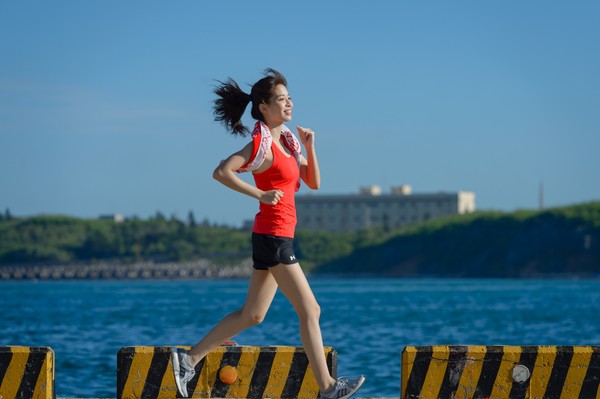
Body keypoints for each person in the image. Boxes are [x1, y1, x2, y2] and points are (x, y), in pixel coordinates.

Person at [171, 68, 365, 399]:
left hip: (275, 236)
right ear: (263, 106)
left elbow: (314, 182)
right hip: (273, 236)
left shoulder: (288, 142)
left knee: (254, 314)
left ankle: (188, 359)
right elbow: (222, 171)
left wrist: (310, 146)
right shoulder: (260, 146)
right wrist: (259, 195)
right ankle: (329, 388)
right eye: (281, 99)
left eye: (290, 98)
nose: (289, 103)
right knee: (310, 310)